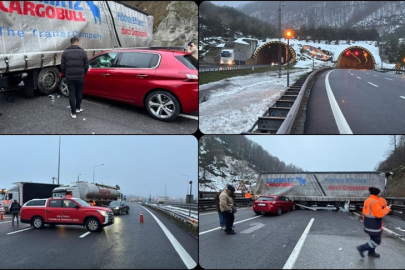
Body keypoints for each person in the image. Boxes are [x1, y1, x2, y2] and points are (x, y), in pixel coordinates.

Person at [356, 187, 391, 258]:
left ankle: (371, 252)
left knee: (372, 239)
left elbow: (364, 212)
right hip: (374, 225)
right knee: (377, 241)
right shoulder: (375, 202)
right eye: (379, 193)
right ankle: (362, 248)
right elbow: (379, 214)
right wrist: (387, 209)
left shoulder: (368, 200)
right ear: (377, 194)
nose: (380, 194)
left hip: (368, 223)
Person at [61, 37, 89, 119]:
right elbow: (86, 65)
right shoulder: (83, 52)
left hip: (70, 76)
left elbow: (62, 66)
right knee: (79, 93)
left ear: (70, 43)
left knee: (72, 94)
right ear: (78, 43)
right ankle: (78, 108)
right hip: (80, 76)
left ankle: (73, 113)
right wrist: (83, 73)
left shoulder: (65, 52)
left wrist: (66, 74)